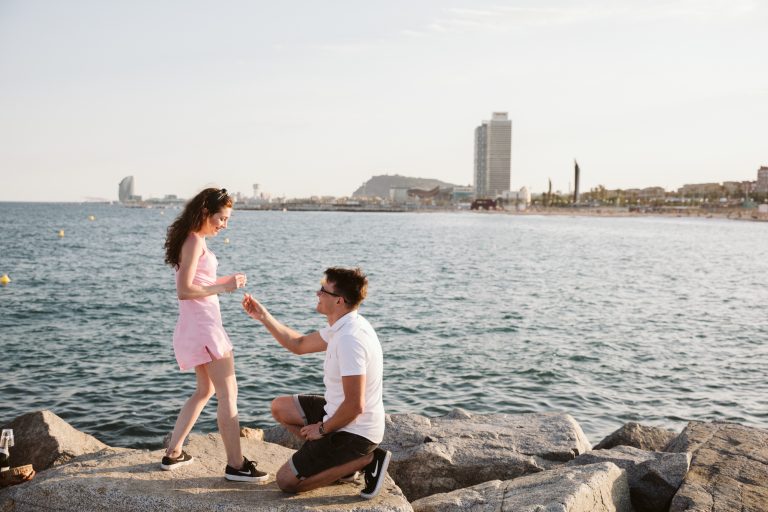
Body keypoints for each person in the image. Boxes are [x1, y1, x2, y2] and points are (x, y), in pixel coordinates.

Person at [241, 267, 391, 499]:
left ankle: (367, 460)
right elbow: (299, 344)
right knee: (279, 407)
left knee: (286, 482)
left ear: (339, 300)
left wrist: (322, 429)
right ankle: (337, 467)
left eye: (323, 290)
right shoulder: (341, 326)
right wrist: (263, 316)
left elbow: (355, 406)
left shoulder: (350, 338)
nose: (317, 293)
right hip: (338, 415)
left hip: (356, 432)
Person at [161, 187, 268, 483]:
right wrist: (224, 287)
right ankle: (236, 465)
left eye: (227, 220)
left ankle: (173, 452)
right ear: (206, 213)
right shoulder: (194, 241)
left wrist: (226, 282)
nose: (224, 224)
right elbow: (184, 291)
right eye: (222, 218)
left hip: (197, 326)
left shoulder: (194, 240)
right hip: (205, 326)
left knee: (205, 391)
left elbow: (198, 281)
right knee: (228, 394)